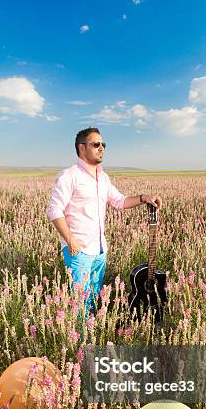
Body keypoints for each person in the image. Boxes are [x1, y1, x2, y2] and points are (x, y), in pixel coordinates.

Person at [46, 127, 162, 315]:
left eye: (103, 144)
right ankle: (81, 343)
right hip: (79, 250)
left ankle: (90, 338)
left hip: (100, 250)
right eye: (96, 144)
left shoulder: (103, 177)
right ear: (81, 148)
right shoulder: (70, 176)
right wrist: (70, 240)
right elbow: (54, 210)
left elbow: (119, 201)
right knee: (80, 302)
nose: (102, 148)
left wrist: (143, 198)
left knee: (92, 298)